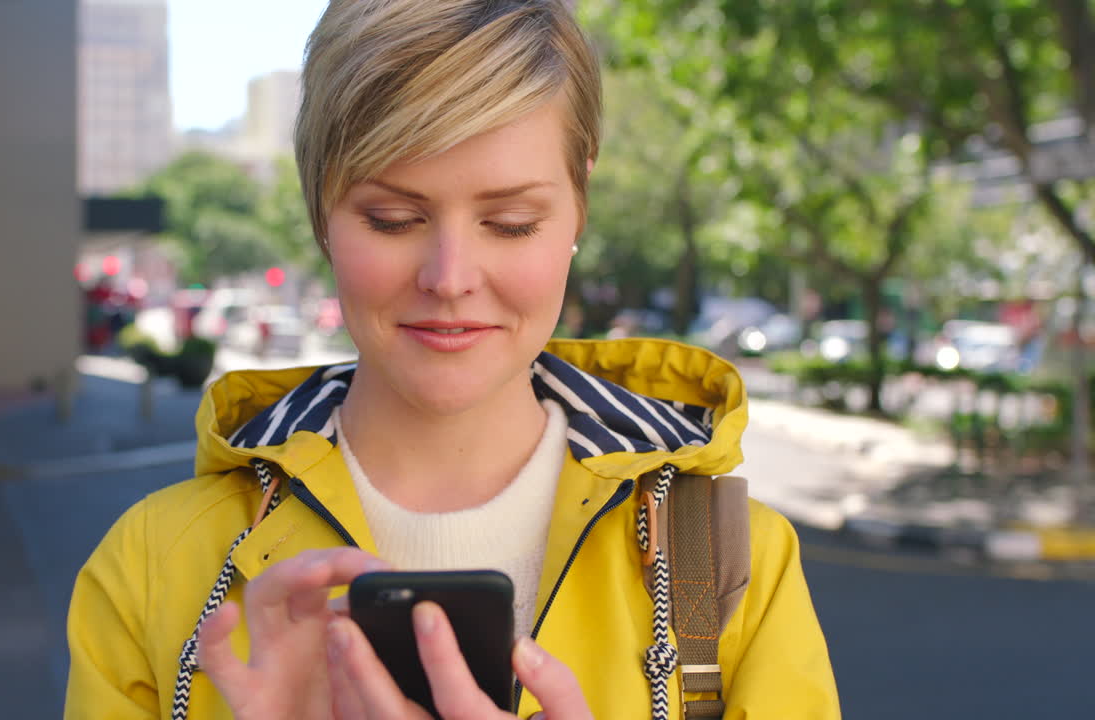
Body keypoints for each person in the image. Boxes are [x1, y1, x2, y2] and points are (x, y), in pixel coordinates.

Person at [64, 1, 840, 718]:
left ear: (579, 206)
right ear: (319, 212)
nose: (450, 277)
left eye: (510, 223)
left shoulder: (729, 565)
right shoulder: (155, 568)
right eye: (393, 218)